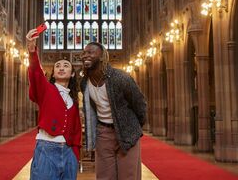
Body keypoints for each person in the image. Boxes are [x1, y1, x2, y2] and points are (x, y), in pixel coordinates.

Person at [80, 42, 147, 179]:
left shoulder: (120, 78)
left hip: (126, 131)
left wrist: (133, 127)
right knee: (104, 176)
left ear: (102, 57)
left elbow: (140, 104)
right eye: (84, 53)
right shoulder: (84, 82)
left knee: (128, 175)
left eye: (91, 52)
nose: (86, 55)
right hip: (103, 132)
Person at [26, 29, 81, 180]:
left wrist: (75, 154)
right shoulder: (46, 90)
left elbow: (76, 132)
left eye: (65, 65)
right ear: (53, 73)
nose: (61, 68)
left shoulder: (73, 100)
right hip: (46, 149)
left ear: (72, 73)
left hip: (69, 154)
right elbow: (36, 72)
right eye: (57, 66)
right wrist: (32, 49)